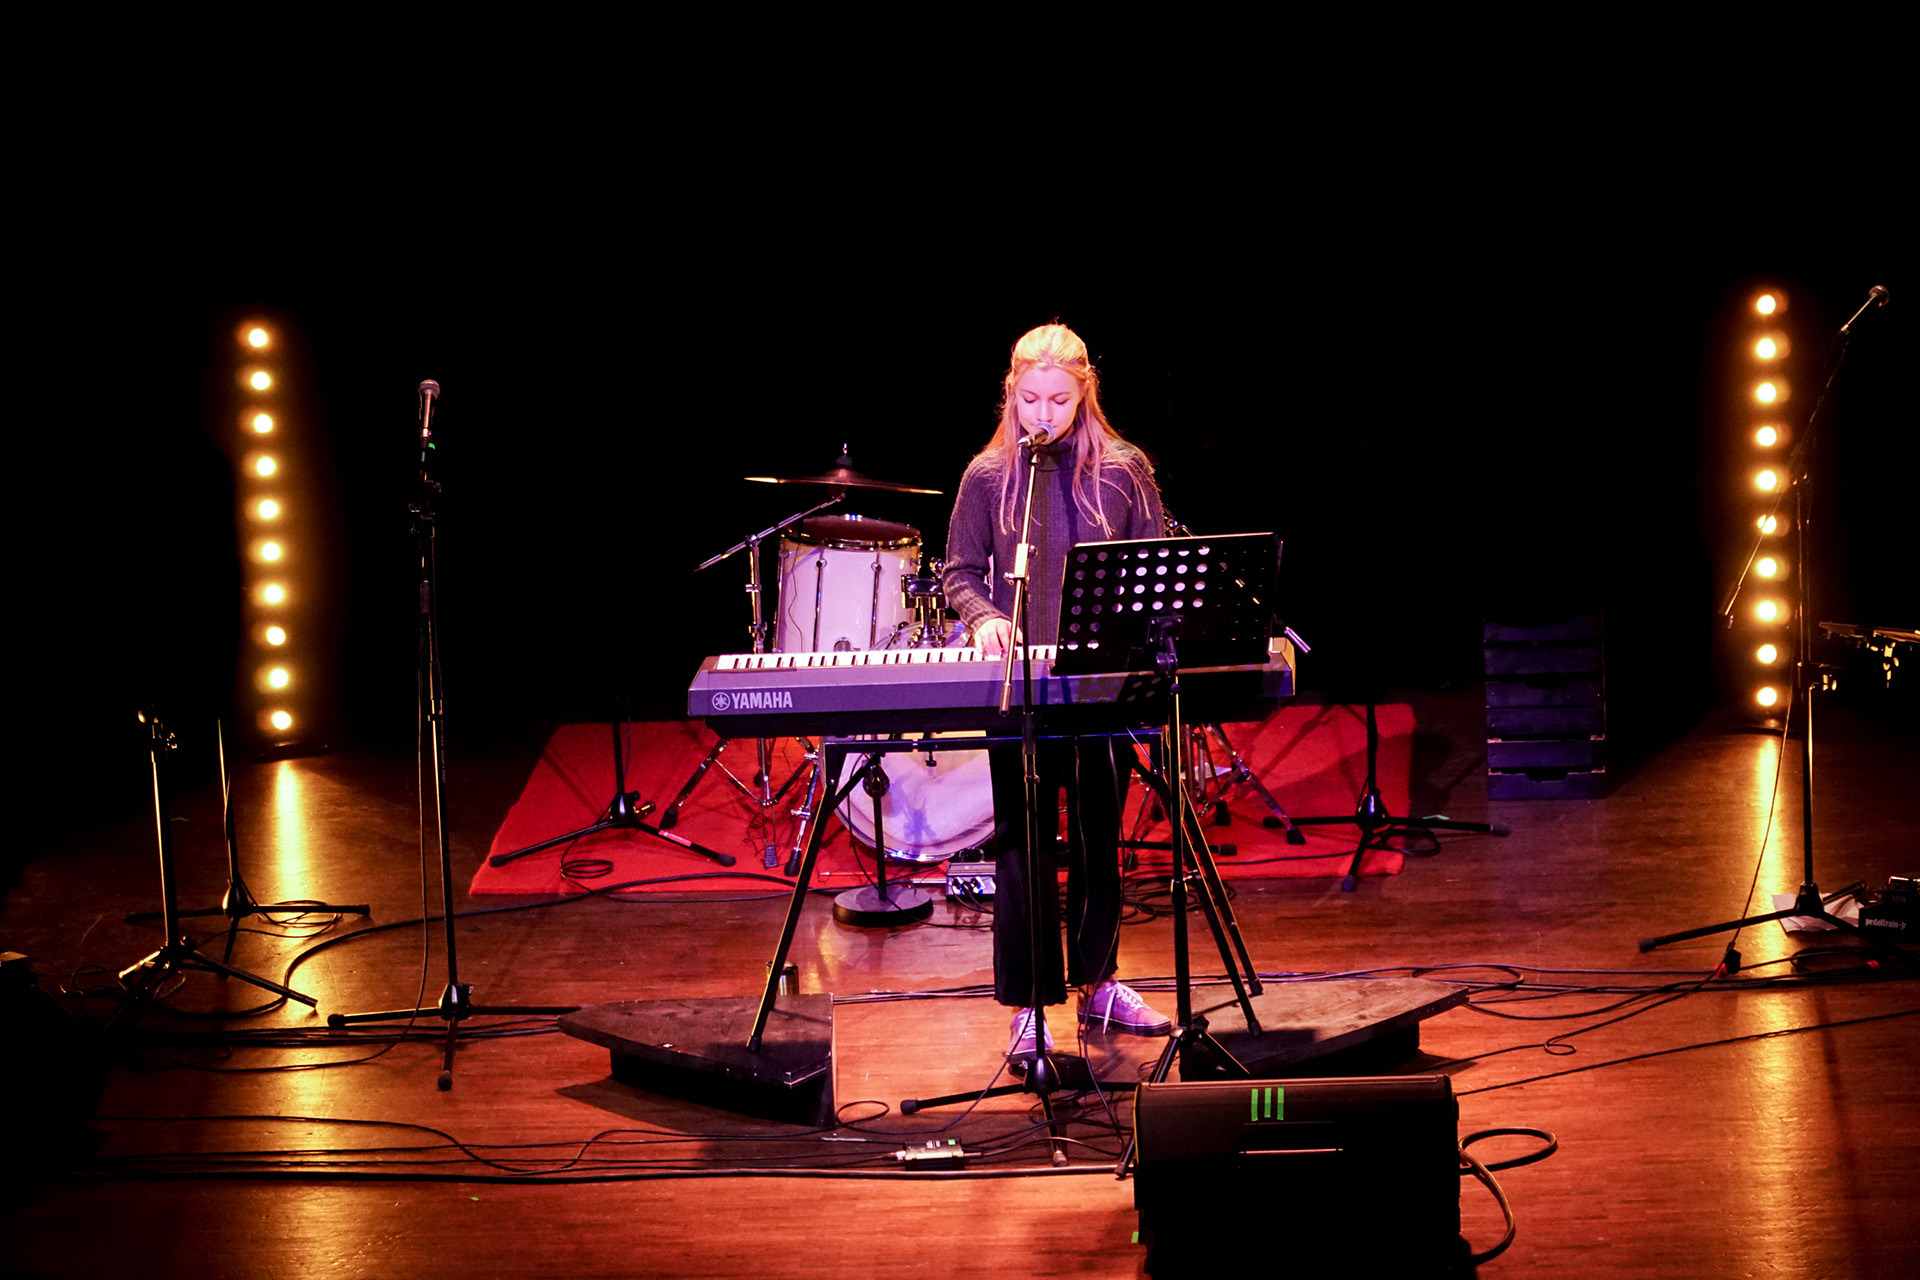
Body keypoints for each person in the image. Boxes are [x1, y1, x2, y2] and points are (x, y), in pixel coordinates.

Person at [942, 323, 1172, 1065]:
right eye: (1031, 399)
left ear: (1084, 396)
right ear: (1012, 395)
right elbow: (959, 571)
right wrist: (983, 617)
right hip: (1020, 688)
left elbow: (1155, 565)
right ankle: (1029, 1005)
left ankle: (1100, 981)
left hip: (1099, 682)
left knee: (1101, 835)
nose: (1044, 414)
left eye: (1059, 400)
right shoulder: (988, 475)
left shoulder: (1124, 470)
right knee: (1024, 842)